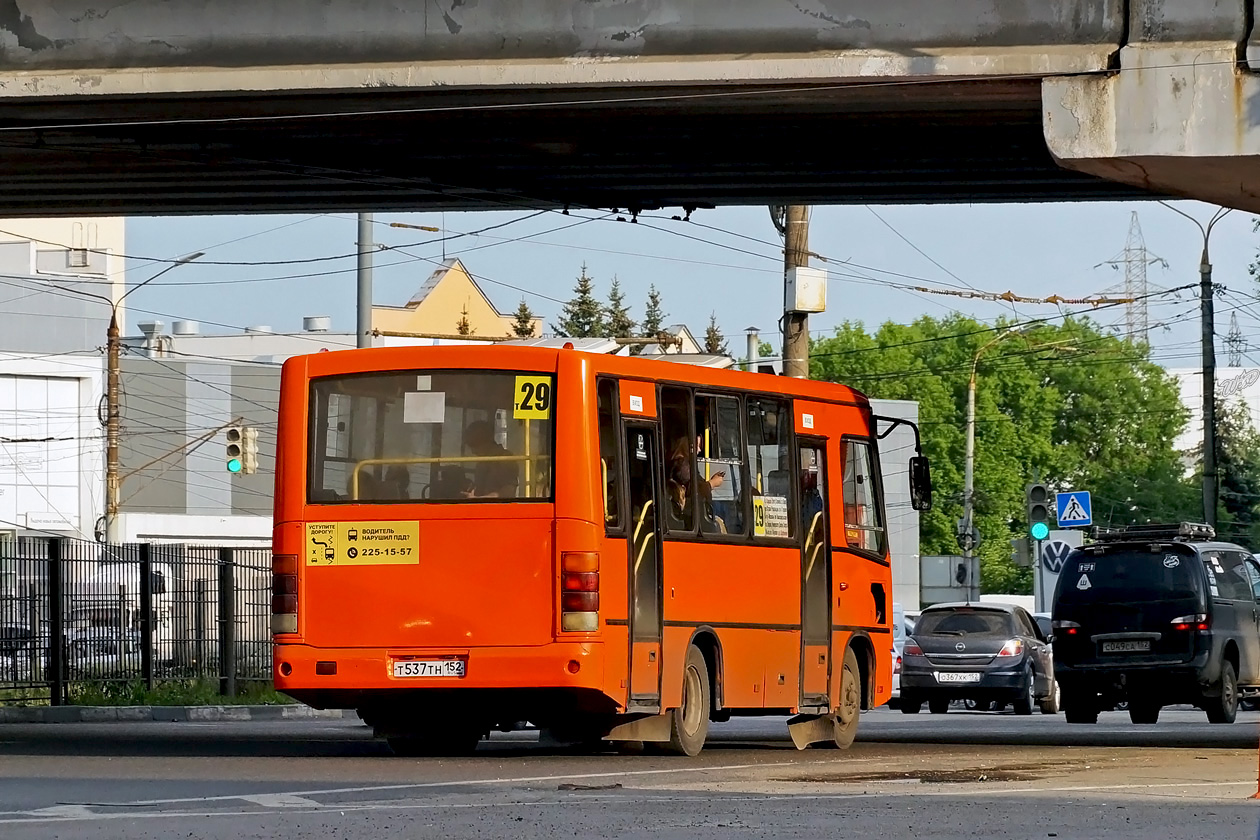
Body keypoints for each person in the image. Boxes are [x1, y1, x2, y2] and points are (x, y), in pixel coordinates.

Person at [461, 420, 518, 499]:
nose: (473, 451)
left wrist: (479, 499)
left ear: (486, 441)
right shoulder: (482, 461)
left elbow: (508, 492)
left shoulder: (505, 458)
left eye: (474, 445)